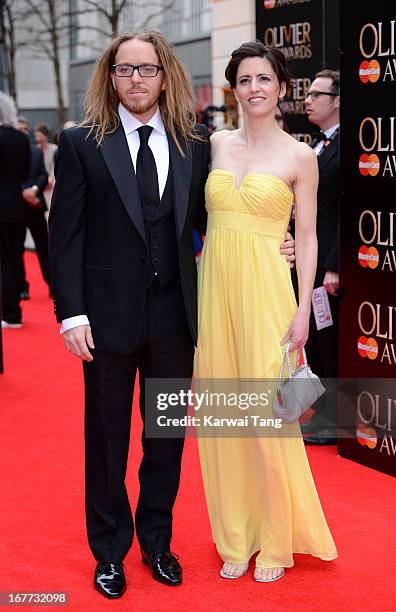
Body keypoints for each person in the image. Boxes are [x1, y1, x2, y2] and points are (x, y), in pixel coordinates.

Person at [48, 29, 295, 599]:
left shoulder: (195, 141)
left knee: (164, 440)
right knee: (107, 440)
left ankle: (156, 543)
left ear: (166, 76)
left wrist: (273, 242)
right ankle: (109, 551)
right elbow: (66, 239)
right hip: (104, 321)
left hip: (174, 320)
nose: (137, 80)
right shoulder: (82, 141)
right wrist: (71, 314)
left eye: (148, 70)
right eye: (126, 70)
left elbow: (218, 219)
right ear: (111, 77)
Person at [194, 41, 337, 582]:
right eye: (245, 79)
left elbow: (306, 236)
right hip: (216, 293)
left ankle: (276, 541)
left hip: (268, 295)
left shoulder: (300, 156)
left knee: (268, 420)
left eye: (265, 78)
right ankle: (236, 534)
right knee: (224, 417)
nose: (255, 87)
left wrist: (303, 309)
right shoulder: (214, 145)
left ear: (282, 88)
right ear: (235, 86)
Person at [302, 69, 340, 445]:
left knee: (329, 340)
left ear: (338, 100)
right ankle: (324, 409)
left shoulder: (348, 146)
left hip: (328, 265)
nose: (308, 99)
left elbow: (351, 209)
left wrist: (334, 266)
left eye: (316, 94)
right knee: (314, 339)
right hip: (308, 262)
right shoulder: (318, 145)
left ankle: (335, 416)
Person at [0, 93, 30, 329]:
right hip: (17, 208)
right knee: (15, 256)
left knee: (4, 262)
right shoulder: (21, 139)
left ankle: (10, 312)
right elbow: (25, 174)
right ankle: (16, 305)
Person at [17, 117, 51, 299]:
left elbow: (43, 175)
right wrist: (24, 192)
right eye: (19, 129)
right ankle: (22, 287)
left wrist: (35, 190)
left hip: (36, 207)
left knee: (44, 248)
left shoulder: (36, 152)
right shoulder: (9, 153)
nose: (23, 132)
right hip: (17, 209)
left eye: (25, 129)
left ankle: (53, 285)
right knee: (17, 251)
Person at [34, 123, 57, 212]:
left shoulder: (54, 149)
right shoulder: (36, 150)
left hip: (52, 184)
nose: (37, 139)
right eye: (36, 136)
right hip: (39, 184)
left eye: (40, 136)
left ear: (46, 136)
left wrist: (50, 180)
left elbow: (54, 167)